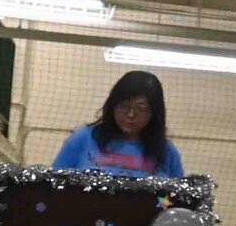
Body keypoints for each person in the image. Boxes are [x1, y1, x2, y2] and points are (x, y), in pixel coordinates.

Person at [52, 70, 185, 178]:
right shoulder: (84, 138)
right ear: (112, 106)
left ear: (154, 113)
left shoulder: (167, 151)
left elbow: (176, 201)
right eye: (124, 106)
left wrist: (157, 203)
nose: (131, 115)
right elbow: (53, 184)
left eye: (141, 109)